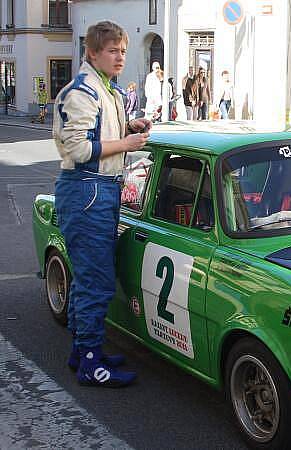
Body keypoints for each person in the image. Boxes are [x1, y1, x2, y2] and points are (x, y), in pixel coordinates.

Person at [53, 20, 151, 387]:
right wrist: (125, 145)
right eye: (113, 50)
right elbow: (79, 149)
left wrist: (129, 128)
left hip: (99, 189)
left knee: (88, 278)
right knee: (96, 281)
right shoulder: (84, 91)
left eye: (123, 50)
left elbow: (98, 135)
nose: (120, 56)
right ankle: (92, 363)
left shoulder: (103, 89)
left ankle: (83, 351)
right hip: (88, 189)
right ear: (92, 52)